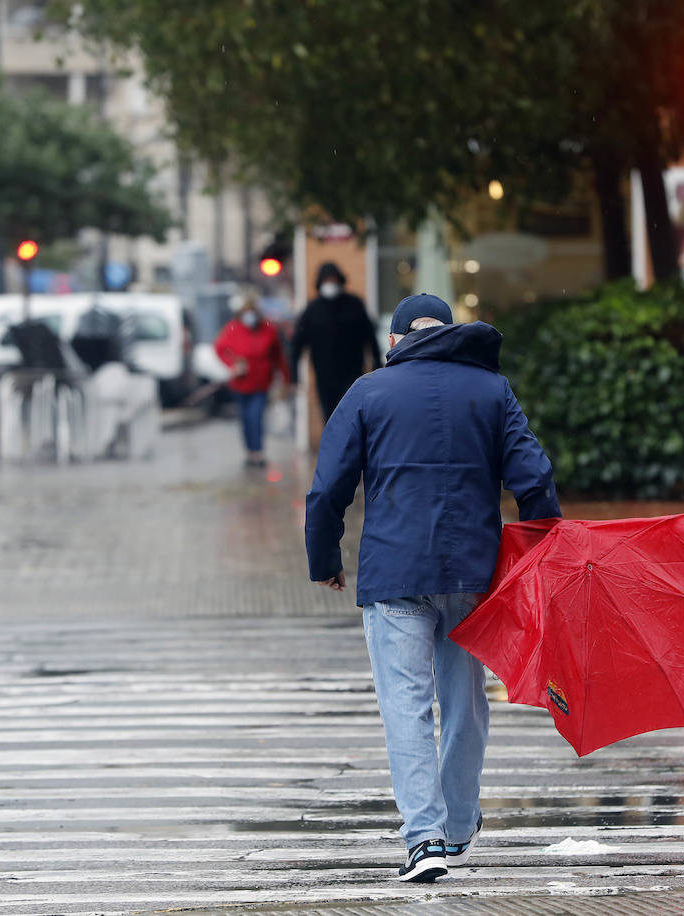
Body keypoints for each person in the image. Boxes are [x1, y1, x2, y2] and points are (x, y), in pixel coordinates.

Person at [303, 293, 560, 882]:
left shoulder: (369, 391)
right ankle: (461, 824)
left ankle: (424, 838)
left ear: (395, 342)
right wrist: (543, 553)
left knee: (406, 709)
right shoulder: (492, 392)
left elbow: (327, 489)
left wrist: (324, 560)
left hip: (394, 571)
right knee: (465, 706)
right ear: (450, 334)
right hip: (473, 572)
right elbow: (534, 480)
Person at [290, 262, 383, 422]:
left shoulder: (354, 305)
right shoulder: (312, 310)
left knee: (352, 415)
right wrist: (294, 376)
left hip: (352, 373)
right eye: (327, 281)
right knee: (330, 417)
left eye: (333, 281)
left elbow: (370, 336)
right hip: (324, 375)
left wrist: (376, 363)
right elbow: (297, 344)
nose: (330, 285)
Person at [214, 291, 290, 467]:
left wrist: (285, 378)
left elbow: (278, 356)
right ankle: (249, 451)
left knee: (255, 416)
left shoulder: (268, 330)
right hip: (240, 384)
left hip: (261, 382)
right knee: (245, 419)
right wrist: (233, 364)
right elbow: (219, 348)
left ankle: (258, 452)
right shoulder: (233, 329)